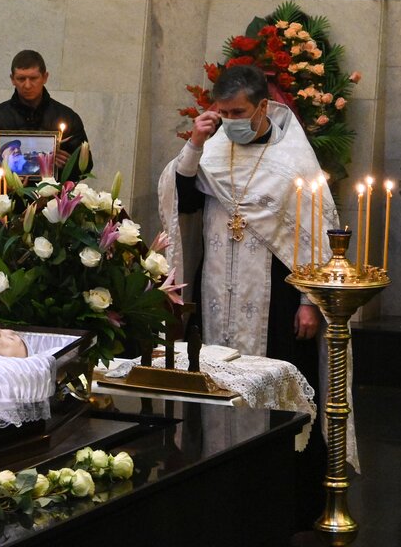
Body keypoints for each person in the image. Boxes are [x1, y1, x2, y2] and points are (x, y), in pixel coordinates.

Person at [156, 63, 336, 530]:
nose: (230, 120)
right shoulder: (212, 150)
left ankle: (280, 503)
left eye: (238, 112)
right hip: (217, 293)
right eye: (222, 112)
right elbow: (182, 201)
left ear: (262, 108)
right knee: (218, 387)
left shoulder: (293, 160)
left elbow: (313, 236)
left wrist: (309, 302)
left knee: (276, 392)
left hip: (277, 303)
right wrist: (195, 143)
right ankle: (222, 493)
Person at [0, 50, 93, 181]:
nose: (27, 85)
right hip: (7, 194)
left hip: (55, 193)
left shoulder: (67, 118)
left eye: (33, 78)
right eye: (21, 79)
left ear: (45, 77)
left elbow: (85, 168)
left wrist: (69, 165)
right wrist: (3, 185)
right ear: (12, 79)